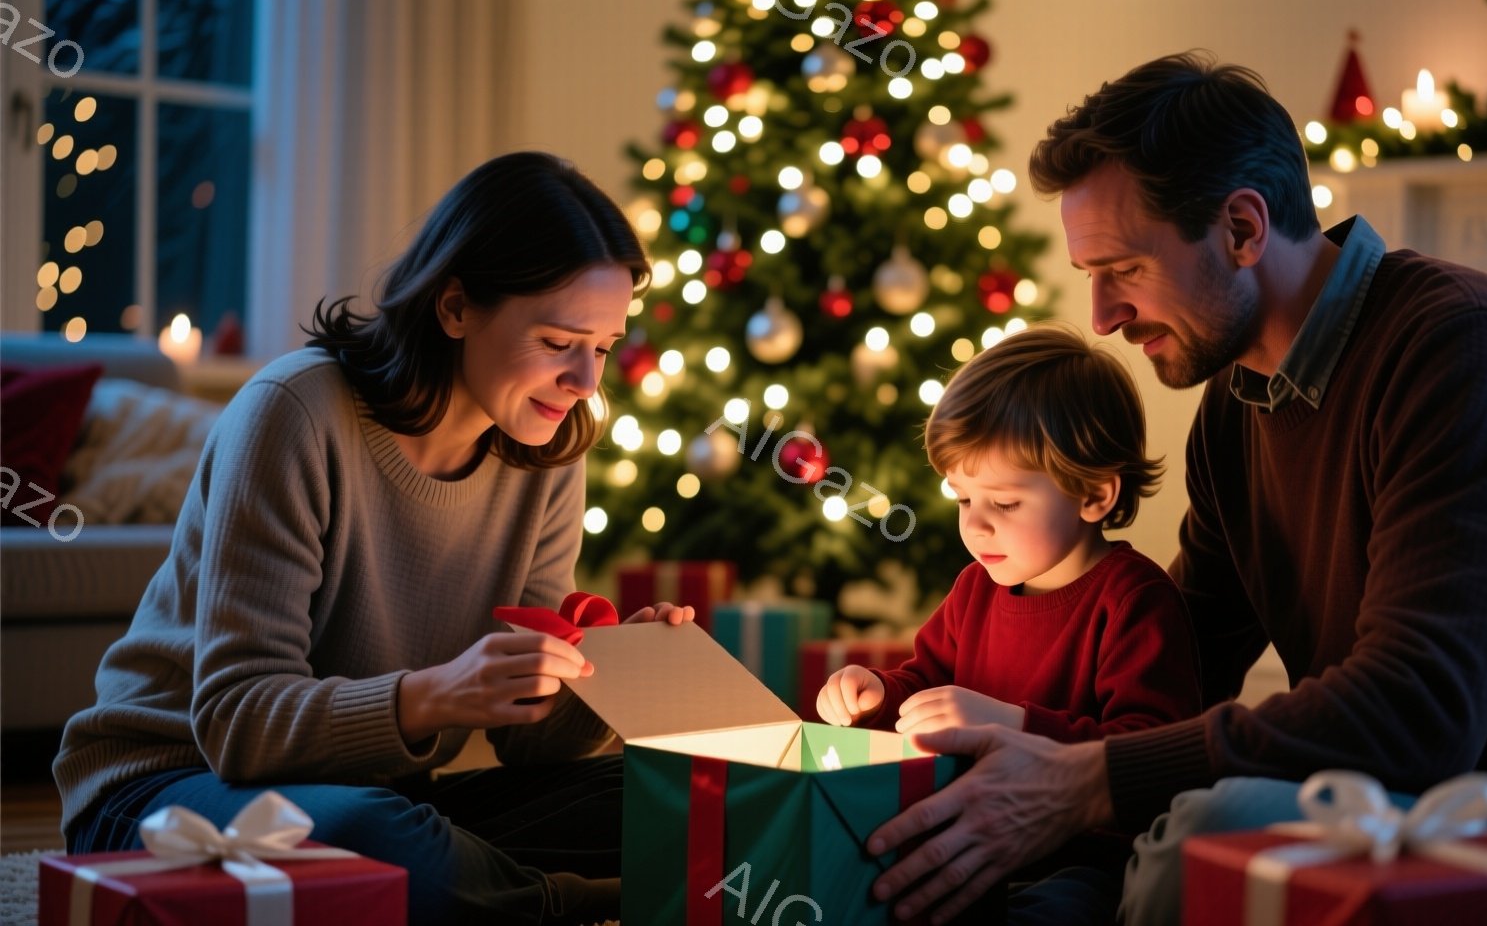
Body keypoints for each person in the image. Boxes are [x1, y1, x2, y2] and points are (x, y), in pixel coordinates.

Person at [861, 53, 1487, 926]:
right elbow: (1184, 659)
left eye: (1123, 269)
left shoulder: (1463, 349)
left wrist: (1089, 780)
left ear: (1242, 229)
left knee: (1212, 824)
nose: (1101, 317)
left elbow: (1420, 714)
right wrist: (1004, 738)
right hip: (1375, 791)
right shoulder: (1237, 406)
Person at [52, 152, 697, 926]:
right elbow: (237, 724)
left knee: (677, 796)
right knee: (378, 836)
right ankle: (568, 906)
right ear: (454, 307)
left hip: (372, 794)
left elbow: (529, 743)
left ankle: (475, 890)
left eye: (603, 348)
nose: (586, 382)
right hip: (168, 790)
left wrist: (604, 675)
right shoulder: (295, 412)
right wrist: (437, 693)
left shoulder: (550, 448)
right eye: (560, 341)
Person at [816, 322, 1201, 746]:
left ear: (1093, 495)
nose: (974, 525)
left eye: (1004, 503)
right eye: (964, 499)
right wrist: (878, 697)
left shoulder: (1133, 601)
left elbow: (1153, 745)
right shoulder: (974, 590)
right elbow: (925, 685)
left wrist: (1013, 724)